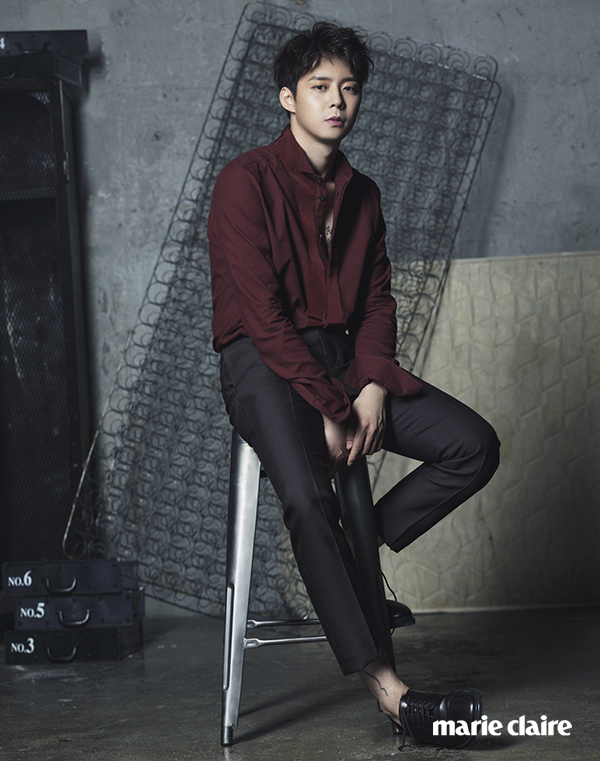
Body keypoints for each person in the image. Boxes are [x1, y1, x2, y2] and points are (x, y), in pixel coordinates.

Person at [208, 21, 500, 749]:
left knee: (472, 445)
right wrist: (332, 405)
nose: (337, 101)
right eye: (320, 87)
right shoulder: (245, 180)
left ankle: (356, 554)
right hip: (262, 362)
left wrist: (369, 386)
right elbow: (263, 317)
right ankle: (395, 695)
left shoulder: (362, 193)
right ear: (287, 97)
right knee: (309, 499)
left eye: (349, 88)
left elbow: (377, 303)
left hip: (344, 360)